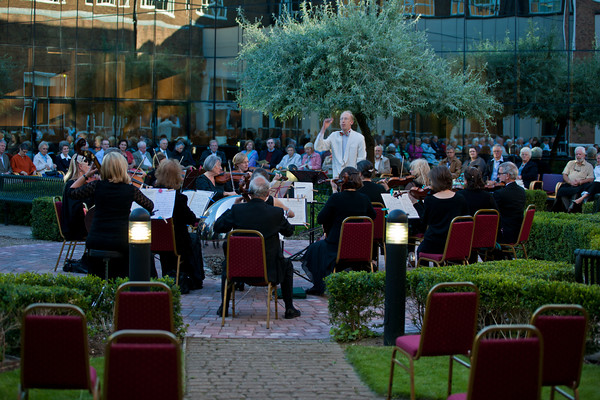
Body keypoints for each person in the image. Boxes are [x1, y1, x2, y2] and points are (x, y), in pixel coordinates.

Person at [213, 176, 301, 319]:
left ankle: (224, 307)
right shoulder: (275, 213)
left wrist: (233, 206)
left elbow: (218, 226)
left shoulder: (237, 210)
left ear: (250, 192)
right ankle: (289, 308)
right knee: (287, 265)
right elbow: (289, 231)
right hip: (269, 272)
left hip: (239, 271)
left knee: (226, 264)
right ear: (267, 194)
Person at [69, 152, 154, 279]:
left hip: (96, 240)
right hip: (121, 241)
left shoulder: (96, 186)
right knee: (147, 254)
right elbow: (150, 205)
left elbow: (71, 192)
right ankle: (146, 289)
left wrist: (88, 174)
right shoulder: (130, 190)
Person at [302, 167, 375, 295]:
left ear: (342, 180)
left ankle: (319, 285)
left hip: (337, 247)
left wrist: (334, 191)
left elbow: (321, 218)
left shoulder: (336, 198)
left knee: (314, 248)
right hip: (360, 248)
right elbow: (372, 216)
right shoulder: (364, 199)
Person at [154, 159, 203, 290]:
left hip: (154, 241)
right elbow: (191, 219)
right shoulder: (178, 198)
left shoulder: (152, 194)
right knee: (193, 239)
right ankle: (195, 278)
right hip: (175, 242)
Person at [409, 166, 468, 256]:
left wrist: (415, 203)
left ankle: (424, 269)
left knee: (420, 250)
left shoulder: (430, 200)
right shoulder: (460, 198)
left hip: (434, 242)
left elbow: (423, 223)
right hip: (454, 242)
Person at [314, 111, 367, 178]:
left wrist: (356, 176)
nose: (343, 121)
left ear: (351, 122)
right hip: (337, 177)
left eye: (346, 119)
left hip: (352, 178)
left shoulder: (359, 137)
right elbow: (318, 147)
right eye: (341, 119)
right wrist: (323, 129)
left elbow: (361, 159)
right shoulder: (334, 135)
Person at [493, 162, 526, 244]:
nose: (498, 176)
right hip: (519, 231)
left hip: (505, 232)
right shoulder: (522, 191)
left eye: (500, 174)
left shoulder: (500, 193)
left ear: (507, 175)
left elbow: (493, 213)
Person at [555, 146, 594, 212]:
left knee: (576, 192)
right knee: (561, 191)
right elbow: (564, 174)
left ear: (584, 155)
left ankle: (571, 208)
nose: (578, 156)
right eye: (576, 154)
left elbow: (591, 178)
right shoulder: (570, 163)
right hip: (569, 184)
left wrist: (580, 182)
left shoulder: (589, 166)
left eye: (580, 154)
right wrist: (569, 182)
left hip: (581, 185)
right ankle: (568, 209)